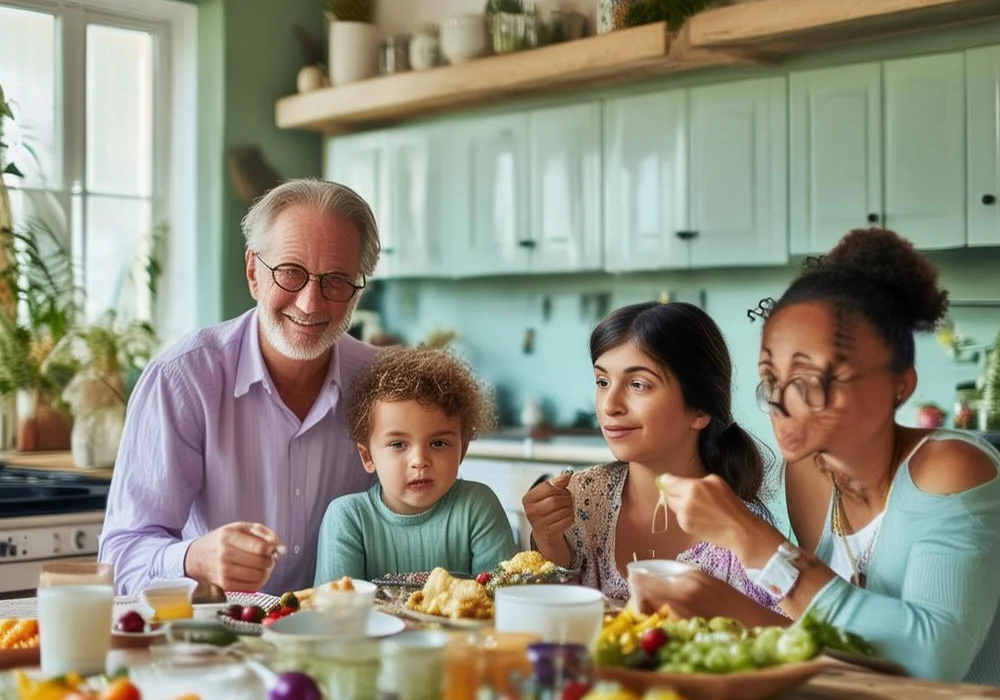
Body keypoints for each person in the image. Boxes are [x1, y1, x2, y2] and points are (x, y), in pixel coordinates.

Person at [642, 229, 1000, 684]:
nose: (782, 402)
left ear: (899, 384)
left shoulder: (951, 467)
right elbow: (828, 636)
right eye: (772, 378)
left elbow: (929, 662)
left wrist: (751, 539)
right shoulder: (809, 471)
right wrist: (712, 604)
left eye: (810, 378)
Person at [99, 179, 382, 595]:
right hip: (216, 627)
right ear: (253, 272)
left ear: (358, 289)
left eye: (336, 280)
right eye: (290, 272)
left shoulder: (383, 383)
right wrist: (192, 558)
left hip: (346, 627)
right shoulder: (181, 379)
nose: (310, 303)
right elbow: (120, 558)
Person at [522, 301, 776, 612]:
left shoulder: (743, 532)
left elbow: (780, 635)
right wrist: (548, 541)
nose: (609, 405)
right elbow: (546, 620)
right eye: (602, 382)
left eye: (638, 385)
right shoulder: (579, 503)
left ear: (699, 410)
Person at [314, 346, 518, 583]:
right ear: (367, 457)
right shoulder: (347, 519)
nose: (420, 461)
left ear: (462, 450)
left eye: (438, 443)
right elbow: (338, 603)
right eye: (398, 444)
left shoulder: (478, 507)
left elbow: (503, 596)